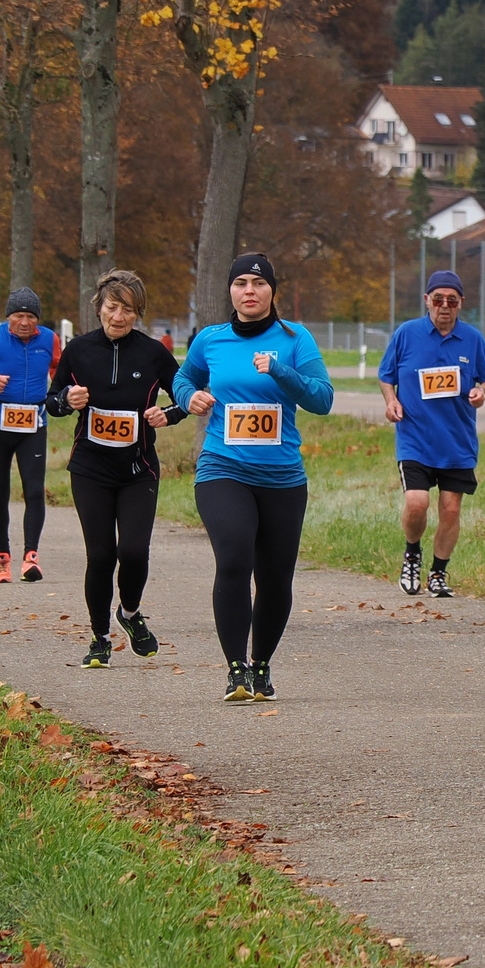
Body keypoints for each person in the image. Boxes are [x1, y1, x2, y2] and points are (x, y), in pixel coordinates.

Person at [173, 252, 335, 702]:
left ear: (272, 291)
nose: (250, 291)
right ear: (230, 290)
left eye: (259, 283)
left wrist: (280, 371)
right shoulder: (210, 340)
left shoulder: (294, 338)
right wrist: (189, 399)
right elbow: (182, 379)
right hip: (223, 467)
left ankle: (261, 665)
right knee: (234, 557)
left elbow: (323, 400)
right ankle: (236, 670)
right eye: (241, 282)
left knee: (275, 577)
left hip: (282, 476)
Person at [51, 268, 183, 667]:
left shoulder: (153, 353)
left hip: (138, 469)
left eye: (128, 310)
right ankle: (99, 638)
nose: (119, 317)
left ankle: (129, 612)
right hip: (90, 468)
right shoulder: (79, 350)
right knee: (101, 555)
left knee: (134, 552)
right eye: (112, 307)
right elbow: (52, 400)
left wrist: (168, 415)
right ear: (99, 308)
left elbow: (184, 394)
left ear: (138, 313)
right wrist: (66, 400)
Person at [378, 267, 485, 597]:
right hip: (415, 437)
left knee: (450, 509)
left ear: (461, 303)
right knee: (417, 503)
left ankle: (438, 573)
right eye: (438, 299)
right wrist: (391, 401)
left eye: (452, 300)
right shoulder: (407, 333)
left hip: (456, 440)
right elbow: (386, 376)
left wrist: (481, 392)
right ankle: (412, 554)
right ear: (426, 300)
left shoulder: (472, 339)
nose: (444, 306)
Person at [0, 289, 62, 583]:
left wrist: (61, 388)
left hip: (33, 424)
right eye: (18, 316)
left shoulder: (49, 339)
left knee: (34, 490)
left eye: (31, 317)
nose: (25, 322)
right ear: (8, 317)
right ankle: (2, 557)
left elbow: (58, 367)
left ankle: (31, 557)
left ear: (37, 319)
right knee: (0, 492)